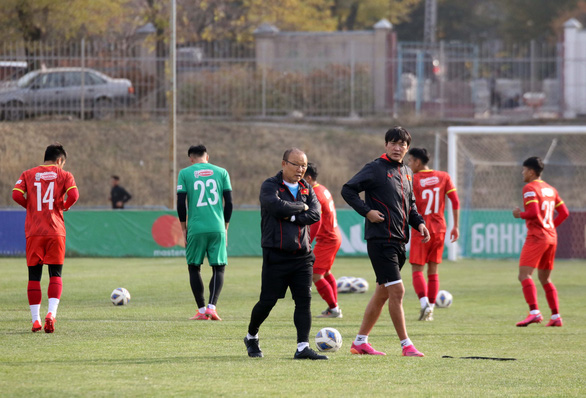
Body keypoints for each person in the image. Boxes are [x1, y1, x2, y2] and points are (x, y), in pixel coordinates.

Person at [341, 126, 430, 357]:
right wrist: (367, 211)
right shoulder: (375, 168)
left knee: (382, 293)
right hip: (381, 240)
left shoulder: (408, 172)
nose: (397, 147)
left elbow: (410, 206)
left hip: (400, 241)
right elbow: (348, 190)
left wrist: (419, 223)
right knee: (397, 291)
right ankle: (406, 345)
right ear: (386, 145)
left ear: (407, 148)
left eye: (402, 144)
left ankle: (360, 342)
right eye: (393, 143)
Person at [244, 148, 326, 360]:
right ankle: (251, 336)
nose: (301, 169)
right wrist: (301, 207)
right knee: (268, 301)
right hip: (276, 255)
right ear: (284, 164)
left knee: (304, 300)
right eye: (296, 164)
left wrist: (292, 216)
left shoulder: (307, 187)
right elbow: (275, 207)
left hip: (302, 256)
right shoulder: (270, 185)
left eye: (304, 165)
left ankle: (302, 347)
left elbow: (316, 213)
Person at [12, 143, 79, 333]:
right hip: (55, 231)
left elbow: (16, 194)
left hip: (34, 231)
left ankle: (36, 320)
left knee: (34, 276)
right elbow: (74, 194)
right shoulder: (65, 175)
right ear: (59, 160)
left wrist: (31, 206)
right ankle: (51, 314)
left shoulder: (28, 174)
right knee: (55, 274)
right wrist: (64, 206)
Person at [176, 145, 233, 321]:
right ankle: (212, 308)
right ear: (207, 156)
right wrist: (225, 227)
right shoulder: (222, 172)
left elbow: (180, 203)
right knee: (219, 267)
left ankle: (201, 311)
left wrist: (184, 228)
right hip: (217, 227)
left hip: (195, 228)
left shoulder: (185, 173)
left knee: (194, 267)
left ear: (191, 159)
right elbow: (229, 202)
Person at [512, 156, 569, 327]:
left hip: (537, 237)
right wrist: (550, 226)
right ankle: (556, 316)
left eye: (524, 170)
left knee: (524, 275)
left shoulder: (529, 188)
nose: (522, 173)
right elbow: (564, 212)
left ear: (530, 171)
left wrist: (519, 214)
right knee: (545, 279)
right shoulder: (551, 189)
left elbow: (533, 213)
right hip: (551, 237)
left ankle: (534, 313)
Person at [407, 147, 460, 322]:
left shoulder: (413, 179)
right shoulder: (443, 177)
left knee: (417, 270)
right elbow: (455, 201)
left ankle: (425, 305)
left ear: (418, 162)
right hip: (440, 229)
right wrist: (456, 226)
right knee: (433, 271)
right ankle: (431, 310)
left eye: (410, 160)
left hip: (421, 229)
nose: (409, 164)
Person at [303, 162, 343, 318]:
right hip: (333, 235)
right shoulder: (322, 189)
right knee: (325, 273)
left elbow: (317, 221)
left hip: (327, 239)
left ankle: (333, 309)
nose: (300, 182)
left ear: (309, 177)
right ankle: (334, 307)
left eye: (302, 178)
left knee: (315, 274)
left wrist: (308, 241)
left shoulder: (316, 194)